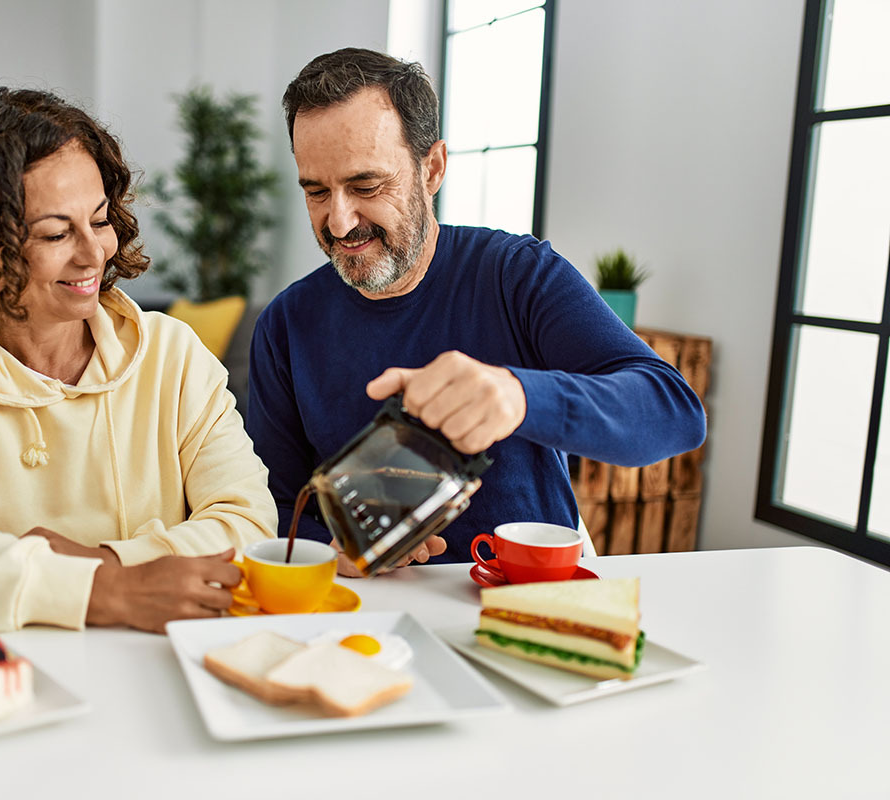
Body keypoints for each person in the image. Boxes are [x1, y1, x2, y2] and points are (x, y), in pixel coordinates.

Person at [246, 48, 706, 577]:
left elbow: (675, 412)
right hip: (363, 605)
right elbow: (274, 505)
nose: (340, 221)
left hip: (525, 592)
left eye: (366, 186)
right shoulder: (286, 325)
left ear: (433, 168)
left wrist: (518, 395)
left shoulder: (518, 275)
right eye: (316, 192)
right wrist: (332, 547)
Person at [0, 87, 275, 632]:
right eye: (55, 232)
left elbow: (250, 523)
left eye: (98, 220)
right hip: (6, 682)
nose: (94, 253)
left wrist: (105, 567)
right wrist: (110, 593)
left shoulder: (173, 355)